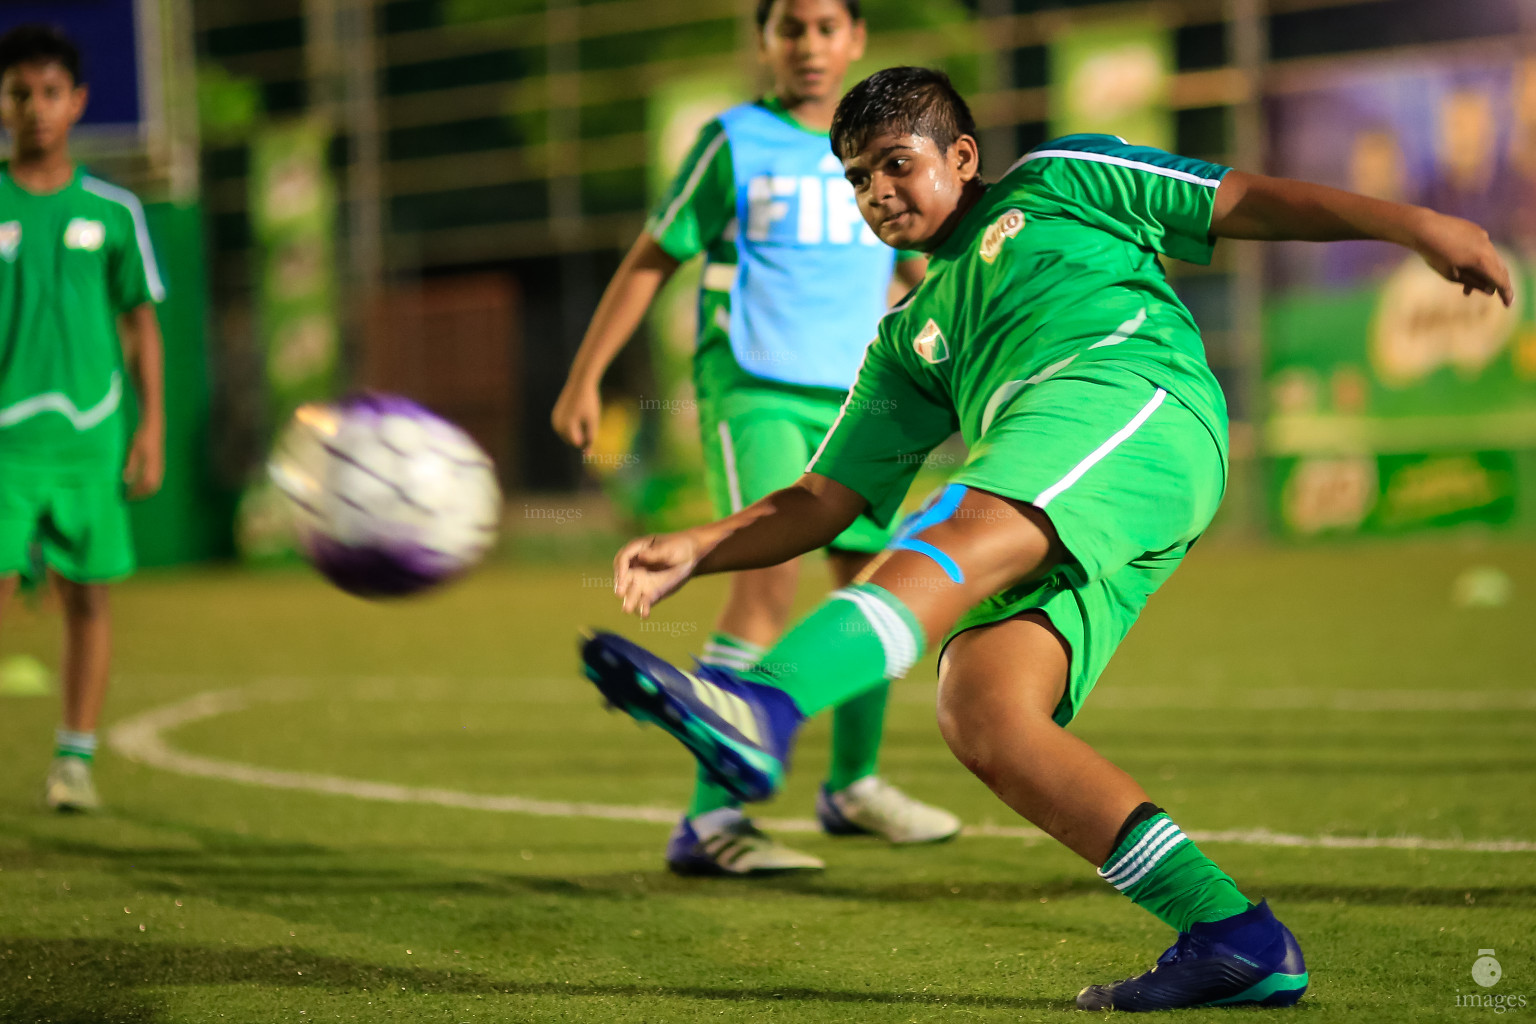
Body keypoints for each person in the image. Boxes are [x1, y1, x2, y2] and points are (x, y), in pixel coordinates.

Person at [579, 67, 1512, 1009]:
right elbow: (824, 498)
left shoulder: (1062, 176)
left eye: (895, 165)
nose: (876, 195)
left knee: (953, 518)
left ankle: (764, 706)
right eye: (857, 179)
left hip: (1137, 402)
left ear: (963, 156)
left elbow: (1244, 200)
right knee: (982, 704)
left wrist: (1414, 223)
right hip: (1081, 481)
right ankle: (1234, 934)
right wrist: (702, 542)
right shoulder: (907, 337)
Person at [553, 3, 958, 876]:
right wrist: (587, 374)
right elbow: (654, 255)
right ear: (765, 40)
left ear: (855, 38)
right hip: (755, 387)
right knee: (767, 584)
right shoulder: (733, 140)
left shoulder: (881, 152)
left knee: (875, 585)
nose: (809, 46)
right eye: (791, 29)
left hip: (863, 397)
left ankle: (853, 788)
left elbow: (912, 263)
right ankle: (708, 822)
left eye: (825, 27)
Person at [0, 25, 166, 812]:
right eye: (19, 93)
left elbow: (140, 322)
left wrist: (152, 424)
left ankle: (75, 762)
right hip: (5, 443)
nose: (35, 108)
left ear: (78, 103)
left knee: (90, 595)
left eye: (50, 93)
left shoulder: (115, 210)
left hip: (91, 434)